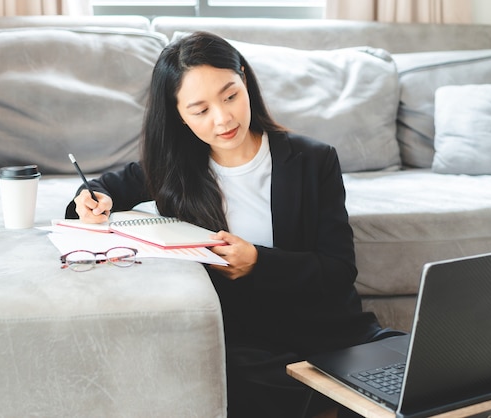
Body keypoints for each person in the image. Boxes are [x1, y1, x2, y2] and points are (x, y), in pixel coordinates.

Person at [66, 31, 388, 418]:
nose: (223, 119)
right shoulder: (173, 170)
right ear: (179, 115)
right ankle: (326, 400)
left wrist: (259, 263)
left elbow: (339, 271)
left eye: (230, 95)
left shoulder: (313, 160)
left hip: (328, 329)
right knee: (231, 371)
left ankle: (329, 396)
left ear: (245, 81)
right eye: (200, 110)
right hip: (251, 344)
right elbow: (97, 191)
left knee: (424, 365)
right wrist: (88, 200)